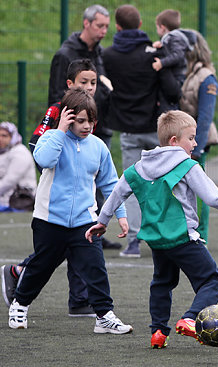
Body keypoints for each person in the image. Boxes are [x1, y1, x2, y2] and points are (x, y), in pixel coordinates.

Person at [85, 110, 218, 348]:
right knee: (214, 280)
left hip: (157, 241)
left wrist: (103, 220)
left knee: (162, 283)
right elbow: (212, 198)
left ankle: (158, 331)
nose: (195, 143)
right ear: (174, 142)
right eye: (191, 138)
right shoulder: (187, 165)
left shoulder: (139, 167)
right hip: (183, 238)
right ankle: (190, 318)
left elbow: (117, 192)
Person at [8, 89, 132, 335]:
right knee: (41, 266)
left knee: (95, 267)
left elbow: (110, 184)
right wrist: (60, 130)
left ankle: (104, 316)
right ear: (67, 117)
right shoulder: (51, 139)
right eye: (80, 120)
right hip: (49, 220)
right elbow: (43, 160)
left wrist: (121, 214)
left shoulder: (98, 147)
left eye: (91, 121)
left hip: (85, 221)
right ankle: (20, 303)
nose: (87, 126)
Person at [1, 59, 103, 317]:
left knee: (80, 245)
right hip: (55, 199)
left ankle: (79, 300)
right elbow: (39, 147)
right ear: (69, 84)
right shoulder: (58, 110)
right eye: (84, 82)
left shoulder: (91, 115)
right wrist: (55, 169)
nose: (89, 88)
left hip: (81, 195)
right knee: (56, 251)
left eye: (93, 83)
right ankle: (21, 274)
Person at [102, 4, 181, 258]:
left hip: (128, 128)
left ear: (117, 27)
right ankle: (172, 236)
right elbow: (172, 90)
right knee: (169, 183)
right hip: (158, 128)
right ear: (139, 25)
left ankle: (134, 242)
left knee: (132, 185)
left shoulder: (109, 55)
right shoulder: (151, 55)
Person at [48, 4, 119, 251]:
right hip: (69, 132)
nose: (103, 31)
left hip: (99, 128)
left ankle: (94, 226)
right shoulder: (65, 54)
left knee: (100, 179)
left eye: (107, 26)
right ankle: (60, 229)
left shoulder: (99, 54)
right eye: (100, 25)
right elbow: (57, 96)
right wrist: (63, 126)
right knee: (68, 179)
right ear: (86, 23)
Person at [179, 30, 218, 242]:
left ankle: (200, 234)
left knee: (200, 190)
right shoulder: (185, 72)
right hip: (180, 141)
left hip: (195, 144)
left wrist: (197, 147)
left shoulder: (206, 77)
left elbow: (205, 117)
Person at [152, 9, 197, 87]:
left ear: (162, 28)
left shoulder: (175, 38)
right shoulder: (171, 38)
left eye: (157, 28)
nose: (157, 30)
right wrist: (160, 45)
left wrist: (162, 63)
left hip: (178, 77)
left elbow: (178, 55)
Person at [0, 122, 36, 210]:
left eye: (4, 136)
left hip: (21, 201)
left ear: (13, 137)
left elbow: (10, 180)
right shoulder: (4, 152)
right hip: (6, 201)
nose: (0, 139)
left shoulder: (20, 152)